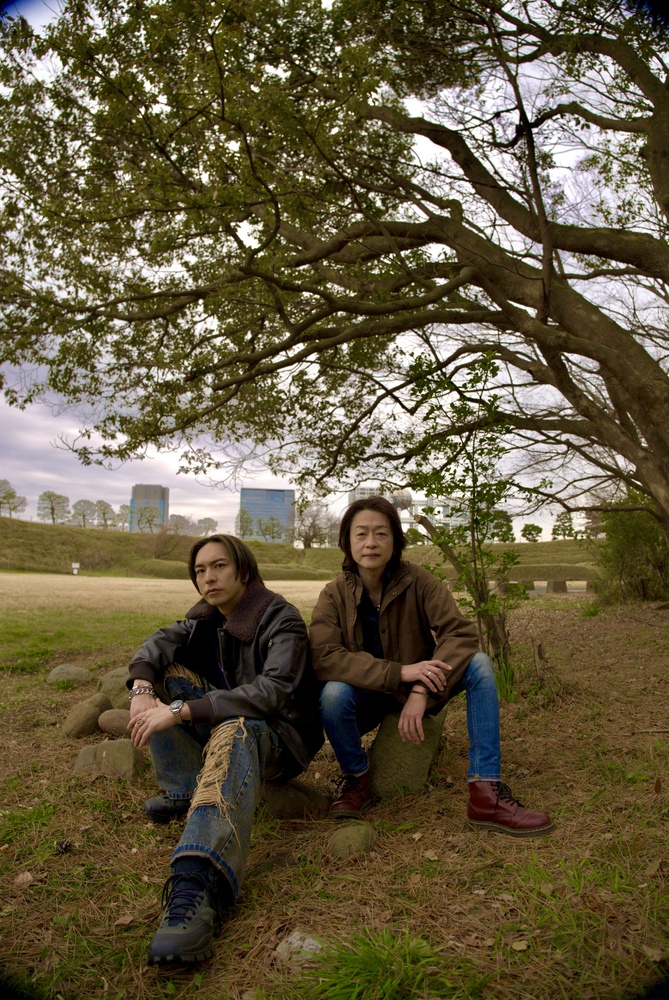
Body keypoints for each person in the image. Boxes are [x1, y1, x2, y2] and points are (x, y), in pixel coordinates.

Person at [126, 534, 322, 966]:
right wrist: (141, 689)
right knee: (165, 672)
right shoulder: (206, 618)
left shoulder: (282, 619)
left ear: (243, 571)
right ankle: (183, 789)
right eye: (200, 570)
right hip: (232, 722)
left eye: (219, 566)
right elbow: (159, 641)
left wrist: (179, 711)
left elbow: (271, 693)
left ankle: (200, 879)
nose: (208, 578)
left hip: (280, 737)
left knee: (236, 726)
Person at [309, 496, 554, 836]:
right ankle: (356, 777)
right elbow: (324, 655)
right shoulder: (333, 594)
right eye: (361, 534)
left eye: (381, 533)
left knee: (480, 664)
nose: (371, 543)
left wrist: (421, 687)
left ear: (395, 541)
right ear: (347, 542)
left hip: (423, 686)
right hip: (367, 694)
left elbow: (461, 633)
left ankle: (486, 791)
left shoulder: (418, 580)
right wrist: (399, 672)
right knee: (333, 694)